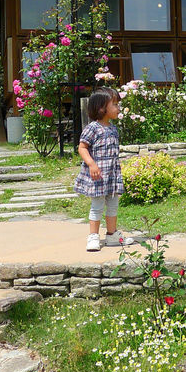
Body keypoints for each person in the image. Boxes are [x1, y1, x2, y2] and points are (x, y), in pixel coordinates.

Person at [74, 87, 133, 252]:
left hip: (112, 175)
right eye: (114, 104)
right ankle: (93, 236)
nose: (118, 108)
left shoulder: (113, 128)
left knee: (113, 204)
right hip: (98, 176)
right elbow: (82, 147)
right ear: (101, 108)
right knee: (97, 205)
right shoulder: (92, 128)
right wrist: (91, 164)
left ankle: (112, 234)